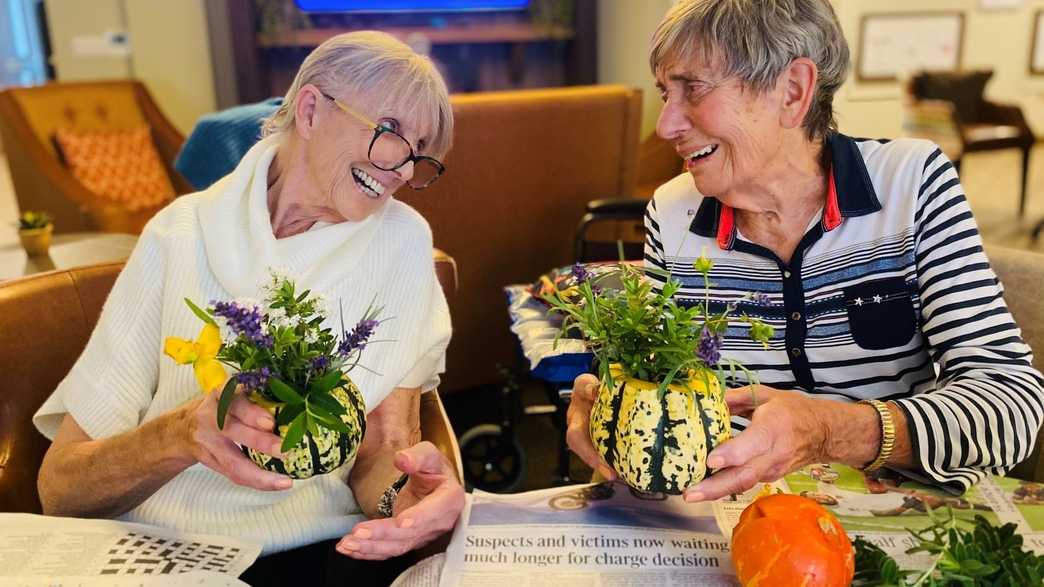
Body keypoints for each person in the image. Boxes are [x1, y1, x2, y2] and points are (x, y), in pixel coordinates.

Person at [568, 0, 1044, 502]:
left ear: (792, 91)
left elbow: (1012, 409)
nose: (666, 126)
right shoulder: (673, 212)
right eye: (667, 93)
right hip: (736, 518)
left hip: (897, 517)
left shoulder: (911, 182)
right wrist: (607, 406)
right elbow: (665, 388)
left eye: (694, 88)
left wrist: (829, 431)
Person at [33, 31, 462, 584]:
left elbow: (383, 451)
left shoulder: (401, 243)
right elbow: (62, 488)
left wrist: (406, 501)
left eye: (420, 151)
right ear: (310, 109)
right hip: (157, 555)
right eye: (391, 132)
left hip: (319, 554)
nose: (403, 169)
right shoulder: (178, 233)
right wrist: (181, 434)